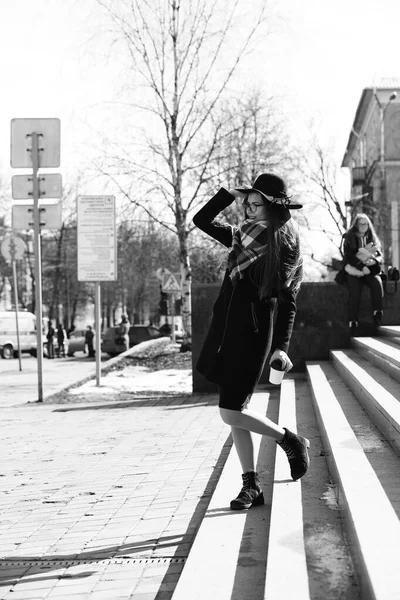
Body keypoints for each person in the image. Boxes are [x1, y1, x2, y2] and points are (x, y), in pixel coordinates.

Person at [193, 173, 309, 511]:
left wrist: (282, 346)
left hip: (255, 335)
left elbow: (289, 302)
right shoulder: (241, 237)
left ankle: (289, 440)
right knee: (234, 412)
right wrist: (228, 194)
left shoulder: (283, 245)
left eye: (255, 203)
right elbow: (201, 220)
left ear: (273, 207)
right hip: (225, 331)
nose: (248, 208)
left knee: (229, 410)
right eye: (247, 202)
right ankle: (251, 486)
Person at [343, 213, 383, 333]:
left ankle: (377, 312)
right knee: (355, 290)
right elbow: (349, 257)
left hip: (369, 270)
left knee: (377, 283)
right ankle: (353, 321)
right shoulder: (349, 238)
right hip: (354, 270)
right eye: (361, 223)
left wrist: (374, 261)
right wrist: (361, 266)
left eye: (365, 223)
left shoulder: (372, 238)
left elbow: (379, 255)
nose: (363, 226)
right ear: (356, 225)